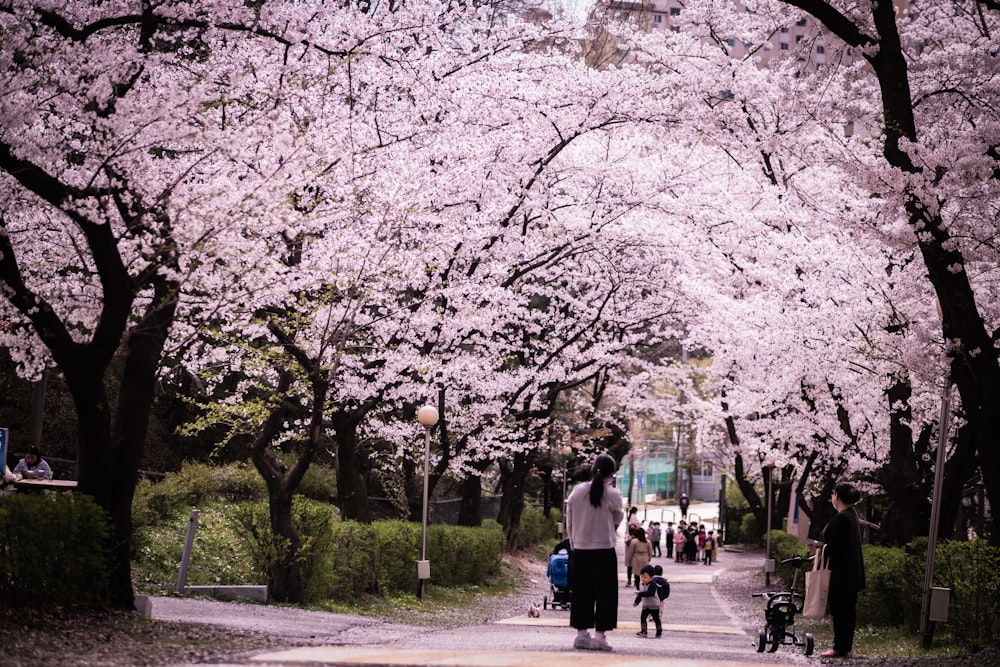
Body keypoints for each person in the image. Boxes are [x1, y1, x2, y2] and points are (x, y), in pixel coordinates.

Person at [566, 453, 624, 652]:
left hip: (580, 549)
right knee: (605, 593)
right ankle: (600, 636)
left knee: (581, 592)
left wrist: (573, 541)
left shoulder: (577, 491)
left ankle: (581, 635)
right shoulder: (613, 494)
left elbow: (570, 518)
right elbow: (618, 517)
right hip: (604, 549)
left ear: (592, 470)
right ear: (612, 474)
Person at [814, 482, 867, 658]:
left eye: (833, 494)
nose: (832, 497)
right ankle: (845, 647)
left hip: (841, 575)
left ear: (837, 496)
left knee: (840, 612)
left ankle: (840, 648)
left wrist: (819, 549)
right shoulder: (851, 515)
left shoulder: (842, 518)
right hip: (851, 573)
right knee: (848, 612)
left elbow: (836, 547)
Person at [632, 565, 662, 638]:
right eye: (642, 577)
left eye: (645, 577)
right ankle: (644, 631)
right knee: (643, 617)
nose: (643, 579)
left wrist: (640, 593)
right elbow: (640, 595)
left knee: (655, 618)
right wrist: (636, 602)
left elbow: (649, 593)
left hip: (654, 605)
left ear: (651, 577)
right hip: (645, 605)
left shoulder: (653, 585)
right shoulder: (641, 585)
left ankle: (659, 630)